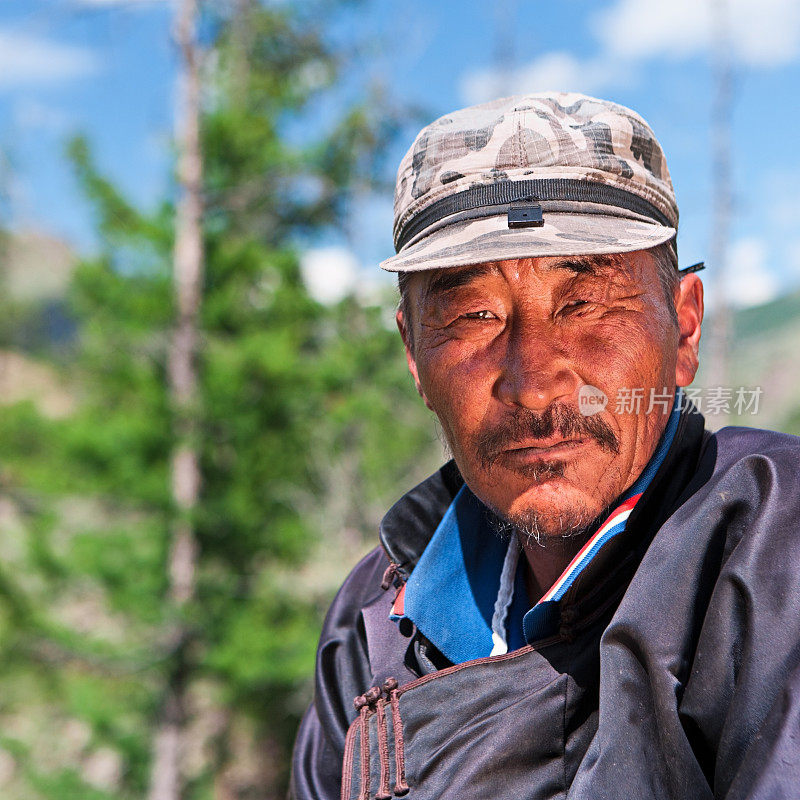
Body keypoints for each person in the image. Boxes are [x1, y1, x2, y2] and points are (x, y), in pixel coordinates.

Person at [289, 92, 800, 800]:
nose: (534, 385)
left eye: (585, 306)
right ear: (414, 357)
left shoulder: (773, 553)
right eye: (474, 315)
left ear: (683, 330)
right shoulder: (373, 621)